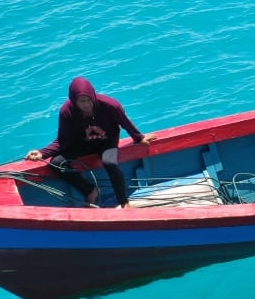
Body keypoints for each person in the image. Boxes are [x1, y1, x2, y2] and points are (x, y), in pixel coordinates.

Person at [25, 77, 157, 208]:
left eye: (88, 100)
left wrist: (139, 138)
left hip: (107, 142)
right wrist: (42, 153)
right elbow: (62, 140)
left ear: (93, 95)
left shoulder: (111, 105)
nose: (86, 104)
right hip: (82, 144)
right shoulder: (66, 112)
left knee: (110, 163)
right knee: (56, 163)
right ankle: (90, 190)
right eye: (81, 101)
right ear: (73, 100)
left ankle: (124, 202)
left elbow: (125, 122)